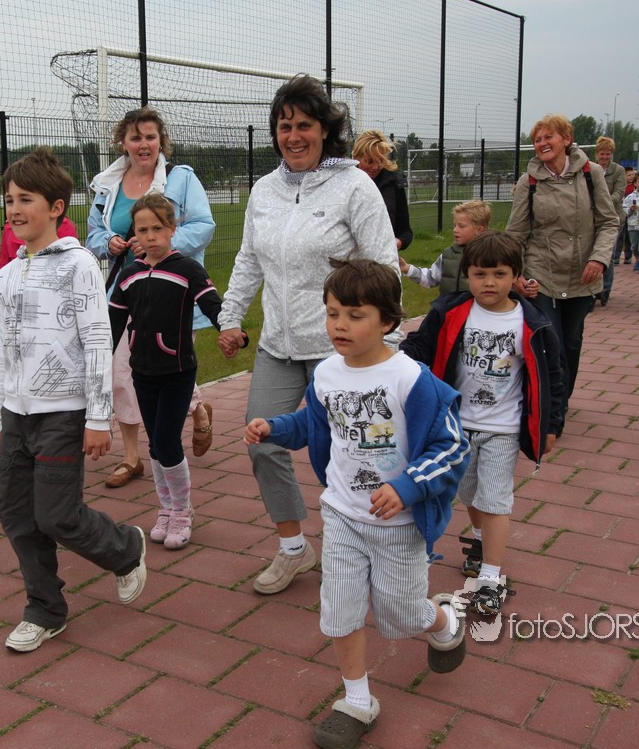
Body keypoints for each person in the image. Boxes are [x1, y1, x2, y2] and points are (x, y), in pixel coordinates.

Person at [243, 259, 469, 747]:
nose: (339, 325)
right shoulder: (327, 374)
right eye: (332, 313)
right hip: (342, 514)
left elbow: (452, 447)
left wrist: (408, 486)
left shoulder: (411, 379)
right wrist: (275, 428)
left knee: (401, 615)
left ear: (388, 320)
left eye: (355, 315)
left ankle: (443, 619)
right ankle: (357, 700)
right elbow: (314, 425)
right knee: (339, 609)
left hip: (399, 525)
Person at [216, 74, 399, 595]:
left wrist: (385, 344)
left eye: (304, 125)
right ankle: (295, 548)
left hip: (341, 350)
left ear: (325, 130)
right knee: (262, 443)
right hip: (277, 345)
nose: (293, 136)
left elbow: (384, 266)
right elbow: (249, 260)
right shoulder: (264, 190)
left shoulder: (355, 187)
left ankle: (373, 548)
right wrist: (231, 317)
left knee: (354, 454)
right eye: (284, 126)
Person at [0, 147, 147, 653]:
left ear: (56, 207)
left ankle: (124, 548)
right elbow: (3, 350)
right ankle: (45, 609)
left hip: (64, 412)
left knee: (56, 515)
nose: (15, 210)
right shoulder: (8, 274)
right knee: (17, 516)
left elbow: (98, 342)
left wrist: (98, 417)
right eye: (10, 200)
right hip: (16, 414)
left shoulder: (79, 265)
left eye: (26, 199)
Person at [400, 232, 564, 616]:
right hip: (457, 426)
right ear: (467, 275)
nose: (489, 282)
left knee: (495, 499)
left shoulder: (532, 322)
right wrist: (398, 361)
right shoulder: (451, 312)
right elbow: (421, 345)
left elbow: (553, 375)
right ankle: (480, 538)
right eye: (480, 274)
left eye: (499, 274)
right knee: (469, 494)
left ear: (516, 276)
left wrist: (552, 423)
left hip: (503, 429)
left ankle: (490, 579)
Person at [86, 108, 216, 489]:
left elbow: (203, 226)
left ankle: (195, 412)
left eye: (150, 137)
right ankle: (132, 458)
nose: (143, 145)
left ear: (161, 141)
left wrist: (157, 244)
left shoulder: (181, 179)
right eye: (135, 137)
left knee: (168, 368)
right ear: (123, 143)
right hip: (126, 293)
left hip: (173, 295)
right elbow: (93, 233)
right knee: (121, 370)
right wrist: (109, 242)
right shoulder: (108, 185)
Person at [108, 195, 243, 549]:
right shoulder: (129, 274)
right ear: (134, 235)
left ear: (172, 229)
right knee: (155, 443)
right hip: (142, 373)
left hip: (177, 371)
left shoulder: (187, 270)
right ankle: (166, 508)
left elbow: (213, 305)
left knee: (167, 441)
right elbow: (112, 324)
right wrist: (93, 361)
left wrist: (231, 331)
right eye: (142, 230)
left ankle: (183, 510)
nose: (150, 236)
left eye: (158, 228)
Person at [505, 114, 618, 415]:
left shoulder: (591, 174)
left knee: (571, 342)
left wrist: (599, 258)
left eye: (548, 137)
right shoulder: (529, 182)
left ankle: (561, 398)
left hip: (582, 274)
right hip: (542, 274)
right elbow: (515, 233)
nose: (541, 143)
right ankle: (552, 408)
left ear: (566, 140)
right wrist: (515, 273)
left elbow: (609, 222)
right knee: (550, 341)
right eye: (537, 140)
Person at [0, 217, 78, 342]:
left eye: (26, 203)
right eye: (10, 204)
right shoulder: (11, 228)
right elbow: (3, 286)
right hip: (17, 321)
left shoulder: (61, 226)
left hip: (52, 322)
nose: (16, 210)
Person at [399, 199, 489, 295]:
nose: (455, 230)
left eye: (461, 226)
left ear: (479, 230)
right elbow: (431, 278)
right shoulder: (448, 255)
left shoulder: (491, 255)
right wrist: (407, 268)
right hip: (449, 305)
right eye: (454, 225)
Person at [352, 129, 413, 250]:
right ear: (356, 158)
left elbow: (405, 232)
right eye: (369, 161)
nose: (375, 167)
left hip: (384, 257)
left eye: (380, 161)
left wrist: (398, 242)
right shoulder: (344, 184)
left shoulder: (394, 183)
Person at [595, 137, 627, 302]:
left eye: (608, 154)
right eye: (602, 154)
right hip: (594, 217)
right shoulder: (591, 169)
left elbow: (619, 192)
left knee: (608, 254)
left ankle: (605, 289)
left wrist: (604, 202)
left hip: (613, 216)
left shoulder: (618, 170)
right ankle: (593, 287)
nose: (605, 157)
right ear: (597, 154)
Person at [617, 167, 637, 265]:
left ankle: (628, 257)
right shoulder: (621, 186)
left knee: (629, 237)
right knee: (619, 236)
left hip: (632, 214)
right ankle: (616, 256)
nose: (631, 177)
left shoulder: (635, 187)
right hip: (621, 213)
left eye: (633, 174)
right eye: (629, 175)